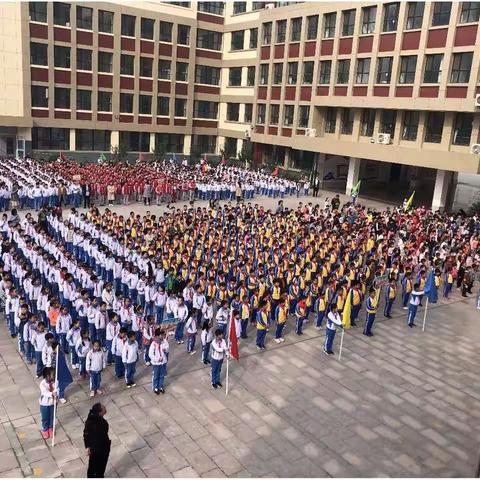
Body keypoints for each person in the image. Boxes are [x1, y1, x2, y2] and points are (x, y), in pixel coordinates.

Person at [84, 403, 111, 478]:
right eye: (104, 408)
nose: (105, 408)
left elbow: (86, 434)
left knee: (92, 467)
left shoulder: (91, 419)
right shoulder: (98, 423)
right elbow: (87, 434)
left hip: (95, 448)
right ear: (100, 412)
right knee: (99, 468)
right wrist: (88, 446)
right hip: (100, 449)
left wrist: (87, 446)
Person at [39, 366, 56, 439]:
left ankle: (50, 428)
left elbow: (57, 388)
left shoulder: (55, 382)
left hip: (52, 402)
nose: (54, 376)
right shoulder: (42, 384)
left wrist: (56, 393)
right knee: (45, 417)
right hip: (44, 403)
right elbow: (44, 392)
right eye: (53, 375)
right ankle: (45, 429)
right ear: (47, 376)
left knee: (52, 416)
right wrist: (51, 394)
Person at [149, 328, 167, 394]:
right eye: (161, 335)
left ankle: (160, 386)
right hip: (156, 363)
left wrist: (166, 349)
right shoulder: (153, 344)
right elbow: (151, 354)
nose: (162, 336)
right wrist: (157, 359)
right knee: (156, 375)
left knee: (162, 375)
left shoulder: (163, 342)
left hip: (163, 362)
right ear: (157, 336)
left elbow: (167, 348)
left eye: (163, 335)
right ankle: (155, 387)